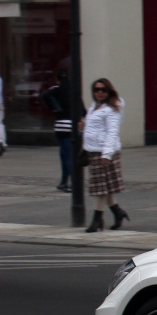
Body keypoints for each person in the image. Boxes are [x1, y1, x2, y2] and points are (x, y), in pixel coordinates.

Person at [81, 78, 127, 232]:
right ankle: (118, 212)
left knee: (100, 189)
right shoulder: (95, 106)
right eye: (96, 89)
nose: (99, 92)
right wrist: (84, 126)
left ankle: (97, 220)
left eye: (103, 90)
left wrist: (106, 154)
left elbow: (112, 132)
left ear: (109, 91)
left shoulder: (111, 109)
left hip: (104, 152)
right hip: (93, 151)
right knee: (104, 187)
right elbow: (96, 128)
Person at [40, 69, 81, 191]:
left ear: (57, 79)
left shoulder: (56, 89)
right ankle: (73, 182)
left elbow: (43, 95)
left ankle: (65, 182)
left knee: (65, 155)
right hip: (73, 126)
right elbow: (82, 108)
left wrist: (54, 107)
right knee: (72, 155)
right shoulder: (74, 90)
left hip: (61, 126)